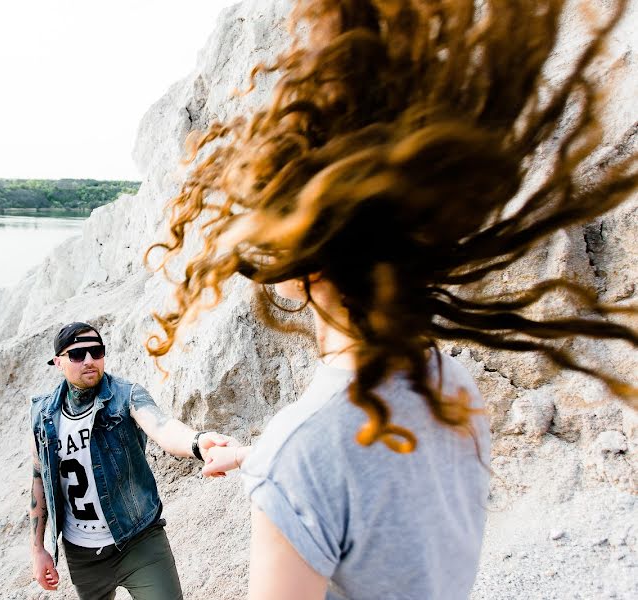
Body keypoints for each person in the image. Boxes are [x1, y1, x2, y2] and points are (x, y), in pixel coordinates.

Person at [144, 0, 638, 598]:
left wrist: (282, 465)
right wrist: (263, 460)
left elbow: (329, 469)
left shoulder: (304, 451)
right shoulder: (450, 384)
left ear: (302, 260)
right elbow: (377, 499)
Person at [28, 321, 236, 600]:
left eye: (96, 351)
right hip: (83, 556)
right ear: (58, 362)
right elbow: (38, 478)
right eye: (78, 354)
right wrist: (38, 549)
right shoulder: (43, 414)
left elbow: (162, 427)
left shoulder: (125, 395)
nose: (89, 360)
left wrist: (197, 443)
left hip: (139, 540)